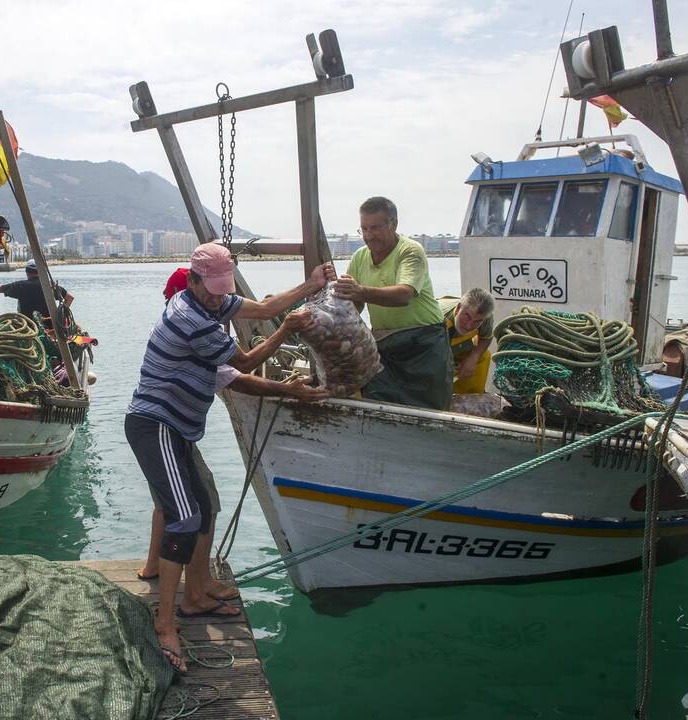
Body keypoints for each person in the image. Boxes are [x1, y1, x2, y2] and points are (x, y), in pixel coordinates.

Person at [126, 244, 334, 673]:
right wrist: (287, 331)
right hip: (154, 423)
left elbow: (260, 308)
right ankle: (166, 623)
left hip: (178, 428)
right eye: (212, 291)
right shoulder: (190, 319)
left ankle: (195, 595)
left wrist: (309, 286)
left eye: (225, 291)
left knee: (203, 507)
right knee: (185, 515)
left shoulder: (214, 303)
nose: (219, 299)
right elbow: (245, 361)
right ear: (192, 281)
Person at [333, 196, 453, 410]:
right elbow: (355, 304)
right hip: (385, 344)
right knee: (378, 404)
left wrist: (359, 291)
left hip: (424, 344)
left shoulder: (411, 251)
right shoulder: (360, 257)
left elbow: (404, 295)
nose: (369, 236)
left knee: (430, 410)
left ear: (393, 224)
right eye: (364, 229)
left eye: (375, 228)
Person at [440, 288, 496, 394]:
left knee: (484, 356)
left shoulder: (486, 317)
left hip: (457, 347)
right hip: (431, 350)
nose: (469, 326)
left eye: (477, 321)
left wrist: (473, 358)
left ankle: (470, 398)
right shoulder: (438, 318)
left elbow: (486, 337)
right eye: (467, 316)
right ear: (458, 308)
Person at [0, 259, 73, 322]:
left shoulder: (20, 286)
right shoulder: (50, 286)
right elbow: (69, 298)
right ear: (41, 271)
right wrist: (59, 315)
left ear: (27, 272)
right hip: (50, 327)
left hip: (28, 328)